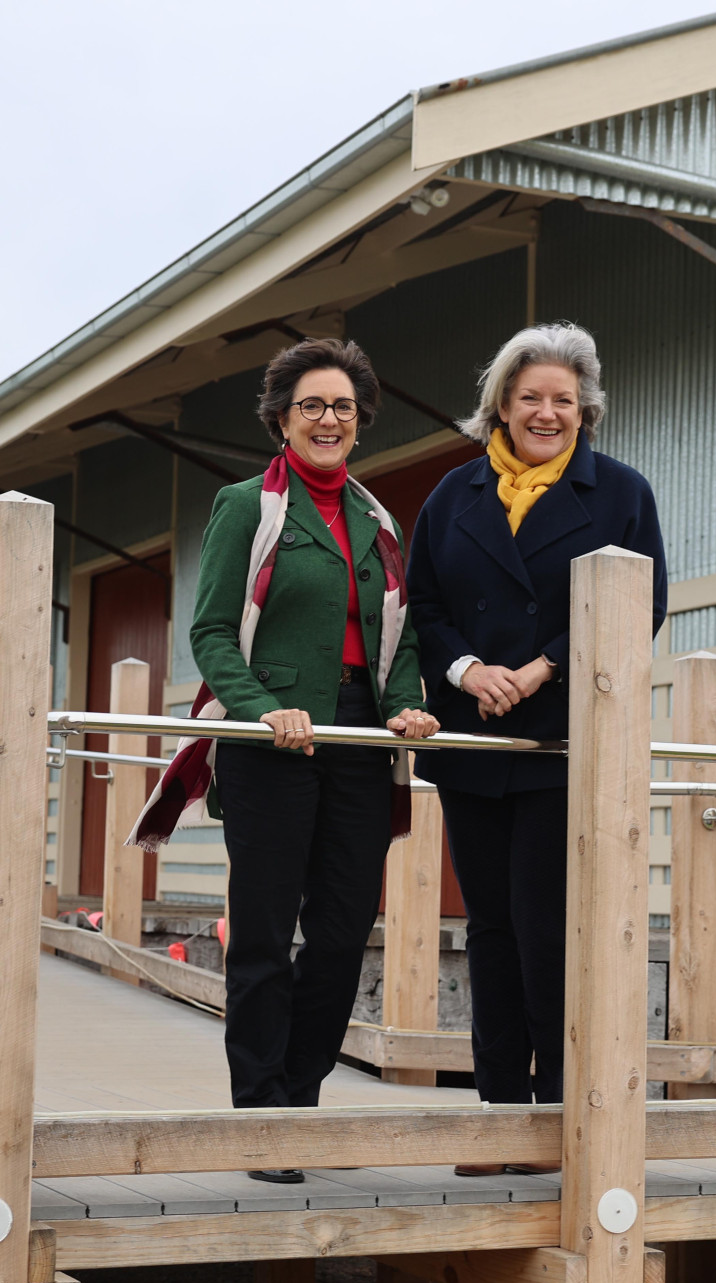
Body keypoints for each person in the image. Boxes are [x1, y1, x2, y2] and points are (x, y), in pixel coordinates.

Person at [170, 337, 439, 1182]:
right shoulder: (246, 505)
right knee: (261, 932)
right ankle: (262, 1118)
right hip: (269, 742)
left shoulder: (378, 522)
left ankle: (300, 1098)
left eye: (343, 408)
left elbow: (398, 635)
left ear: (360, 424)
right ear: (283, 419)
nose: (329, 419)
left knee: (340, 930)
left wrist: (402, 702)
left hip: (357, 744)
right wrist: (258, 710)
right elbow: (212, 629)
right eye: (312, 406)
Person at [405, 322, 667, 1175]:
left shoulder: (622, 493)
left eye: (563, 399)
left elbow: (645, 601)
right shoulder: (452, 494)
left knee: (547, 929)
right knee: (487, 929)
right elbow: (427, 605)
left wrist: (543, 665)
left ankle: (556, 1121)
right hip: (477, 739)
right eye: (531, 399)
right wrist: (470, 667)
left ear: (585, 408)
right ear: (502, 407)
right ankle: (496, 1118)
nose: (547, 412)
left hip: (559, 743)